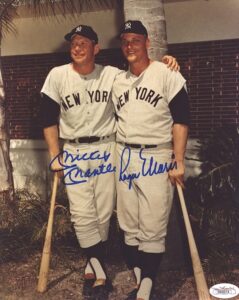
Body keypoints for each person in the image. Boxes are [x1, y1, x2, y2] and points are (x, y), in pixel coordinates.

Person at [40, 24, 180, 299]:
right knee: (82, 214)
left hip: (108, 147)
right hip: (75, 151)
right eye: (74, 43)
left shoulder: (112, 75)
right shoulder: (57, 76)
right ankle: (99, 270)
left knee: (103, 214)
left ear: (96, 48)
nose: (77, 48)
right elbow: (47, 118)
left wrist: (167, 62)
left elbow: (143, 73)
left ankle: (95, 263)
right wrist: (55, 155)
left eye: (84, 43)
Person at [112, 20, 190, 300]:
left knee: (153, 226)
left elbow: (181, 120)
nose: (130, 45)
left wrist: (178, 160)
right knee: (129, 225)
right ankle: (139, 278)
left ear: (147, 42)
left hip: (157, 155)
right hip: (124, 154)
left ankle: (145, 288)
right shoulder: (117, 80)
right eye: (125, 41)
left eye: (135, 39)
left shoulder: (166, 73)